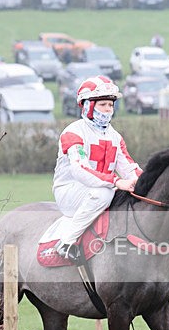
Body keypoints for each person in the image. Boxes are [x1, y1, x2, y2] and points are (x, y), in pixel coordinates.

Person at [48, 75, 142, 259]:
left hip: (101, 189)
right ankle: (66, 243)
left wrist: (150, 183)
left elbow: (130, 168)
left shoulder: (115, 137)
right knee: (104, 193)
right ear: (87, 106)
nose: (108, 110)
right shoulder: (73, 132)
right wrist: (116, 181)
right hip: (70, 191)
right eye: (103, 104)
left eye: (111, 105)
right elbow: (80, 170)